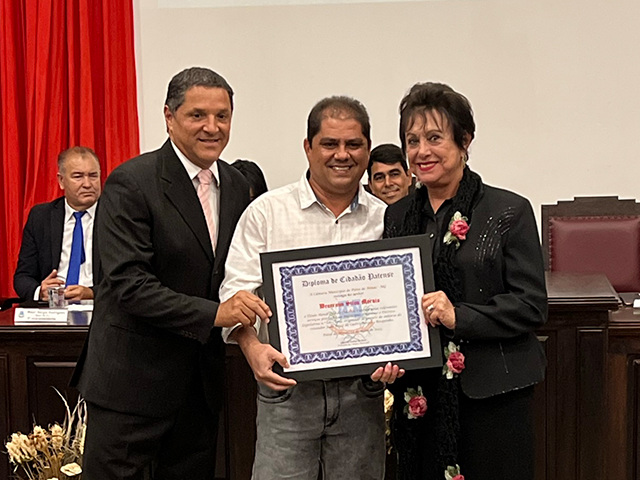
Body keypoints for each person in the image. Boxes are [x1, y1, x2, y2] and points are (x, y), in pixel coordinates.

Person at [72, 67, 269, 480]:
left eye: (222, 116)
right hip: (131, 387)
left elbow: (235, 272)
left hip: (199, 389)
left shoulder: (236, 185)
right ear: (169, 116)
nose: (212, 127)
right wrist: (216, 314)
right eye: (198, 115)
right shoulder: (131, 182)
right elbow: (128, 285)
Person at [220, 96, 404, 480]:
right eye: (329, 144)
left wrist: (400, 350)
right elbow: (235, 296)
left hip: (363, 393)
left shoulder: (389, 220)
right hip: (287, 390)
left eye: (353, 144)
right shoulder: (267, 213)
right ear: (308, 147)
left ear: (368, 149)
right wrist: (251, 347)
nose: (342, 155)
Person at [384, 82, 547, 480]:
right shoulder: (397, 216)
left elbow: (531, 306)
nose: (422, 151)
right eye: (412, 140)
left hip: (492, 397)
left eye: (434, 138)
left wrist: (460, 316)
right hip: (421, 394)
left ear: (465, 141)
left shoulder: (508, 211)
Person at [13, 146, 101, 302]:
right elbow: (23, 277)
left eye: (93, 176)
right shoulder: (41, 217)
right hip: (52, 307)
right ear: (61, 181)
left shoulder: (117, 216)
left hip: (101, 307)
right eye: (78, 176)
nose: (87, 184)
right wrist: (40, 291)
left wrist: (93, 293)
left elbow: (130, 278)